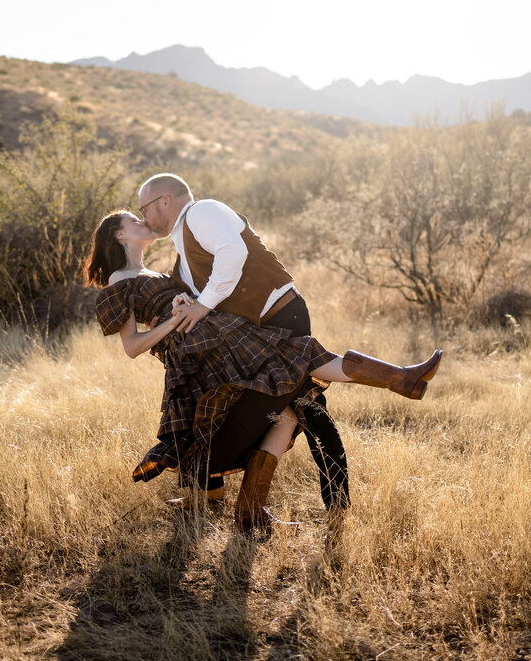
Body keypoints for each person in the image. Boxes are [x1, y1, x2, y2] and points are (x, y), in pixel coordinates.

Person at [84, 209, 442, 532]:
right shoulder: (119, 279)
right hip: (194, 348)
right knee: (292, 364)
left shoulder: (159, 270)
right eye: (133, 219)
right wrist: (173, 323)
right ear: (120, 235)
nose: (141, 220)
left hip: (214, 332)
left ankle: (402, 378)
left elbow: (182, 300)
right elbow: (132, 346)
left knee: (289, 379)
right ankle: (401, 379)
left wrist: (183, 302)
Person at [135, 172, 365, 537]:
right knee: (283, 414)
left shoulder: (201, 213)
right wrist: (186, 300)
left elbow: (234, 253)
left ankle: (333, 510)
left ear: (164, 200)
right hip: (257, 333)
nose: (143, 217)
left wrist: (201, 306)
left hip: (282, 318)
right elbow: (208, 287)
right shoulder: (184, 250)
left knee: (308, 412)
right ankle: (250, 509)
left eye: (143, 208)